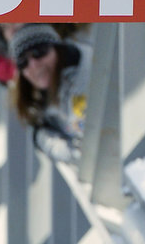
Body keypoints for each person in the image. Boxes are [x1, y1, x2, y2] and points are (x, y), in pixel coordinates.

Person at [10, 22, 94, 164]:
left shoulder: (89, 72)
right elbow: (40, 133)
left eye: (39, 52)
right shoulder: (41, 99)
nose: (33, 65)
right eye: (23, 62)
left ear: (57, 48)